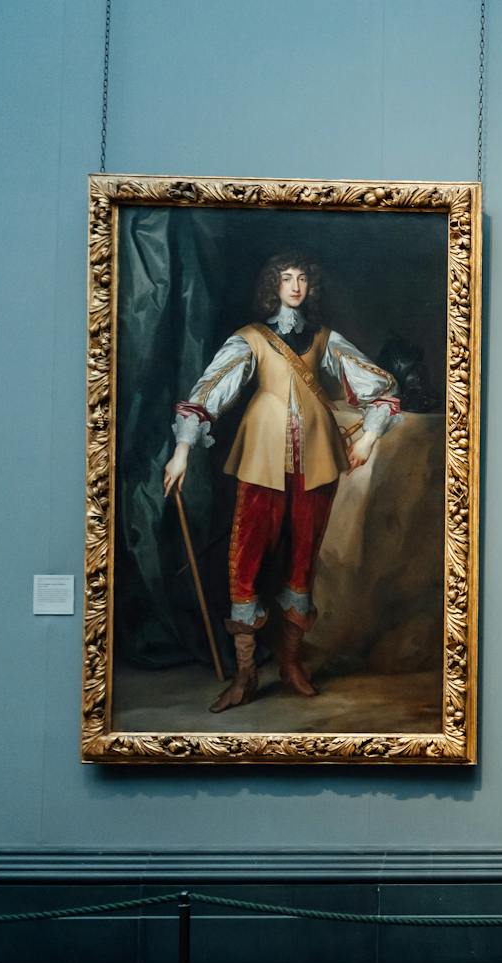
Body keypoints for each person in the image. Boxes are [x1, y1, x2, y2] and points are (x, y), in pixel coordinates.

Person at [160, 251, 401, 713]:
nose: (295, 286)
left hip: (317, 460)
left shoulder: (325, 339)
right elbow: (208, 393)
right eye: (286, 278)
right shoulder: (250, 339)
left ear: (311, 287)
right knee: (245, 559)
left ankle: (291, 663)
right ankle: (247, 675)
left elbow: (382, 389)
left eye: (302, 279)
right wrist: (183, 450)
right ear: (273, 285)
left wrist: (369, 436)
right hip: (261, 457)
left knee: (303, 559)